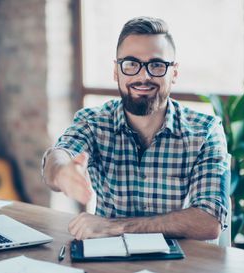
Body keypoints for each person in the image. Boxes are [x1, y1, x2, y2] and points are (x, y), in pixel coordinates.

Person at [42, 17, 230, 241]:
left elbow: (208, 221)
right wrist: (62, 172)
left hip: (181, 262)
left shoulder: (205, 131)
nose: (144, 76)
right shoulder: (92, 122)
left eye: (157, 65)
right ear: (116, 71)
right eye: (131, 64)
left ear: (175, 73)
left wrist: (115, 227)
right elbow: (57, 157)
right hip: (109, 258)